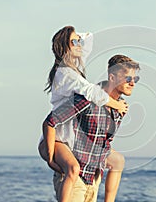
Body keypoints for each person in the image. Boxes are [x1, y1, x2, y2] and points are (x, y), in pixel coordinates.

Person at [38, 26, 128, 202]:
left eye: (79, 41)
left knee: (117, 160)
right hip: (59, 137)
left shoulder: (74, 69)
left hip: (72, 139)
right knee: (73, 168)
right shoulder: (65, 72)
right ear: (64, 47)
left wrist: (76, 36)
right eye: (74, 42)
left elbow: (89, 40)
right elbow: (92, 92)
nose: (80, 44)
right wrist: (117, 104)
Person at [45, 54, 140, 201]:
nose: (132, 83)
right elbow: (51, 121)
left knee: (118, 159)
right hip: (74, 178)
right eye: (128, 78)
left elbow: (104, 143)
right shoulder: (87, 99)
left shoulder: (120, 108)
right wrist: (50, 157)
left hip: (93, 180)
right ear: (112, 77)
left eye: (135, 79)